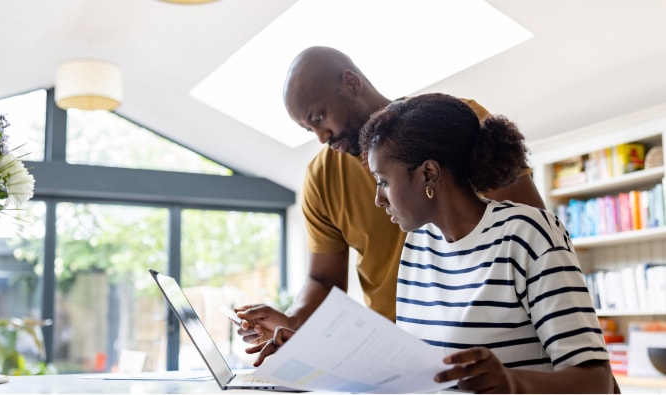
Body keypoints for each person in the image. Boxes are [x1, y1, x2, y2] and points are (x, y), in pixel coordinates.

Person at [249, 93, 617, 394]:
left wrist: (512, 383)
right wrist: (312, 355)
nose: (379, 199)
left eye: (383, 181)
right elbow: (416, 371)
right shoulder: (419, 246)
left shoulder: (529, 234)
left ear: (428, 173)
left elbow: (596, 382)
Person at [234, 46, 546, 346]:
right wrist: (291, 321)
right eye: (308, 129)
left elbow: (532, 233)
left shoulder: (454, 125)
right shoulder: (320, 177)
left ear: (351, 83)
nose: (321, 137)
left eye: (318, 117)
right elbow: (323, 280)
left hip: (485, 334)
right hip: (394, 350)